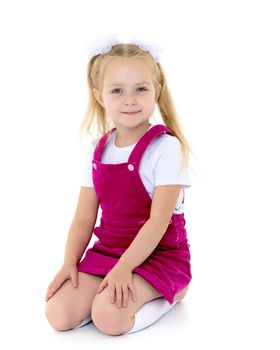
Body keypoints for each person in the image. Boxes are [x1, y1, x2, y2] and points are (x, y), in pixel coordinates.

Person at [45, 37, 193, 336]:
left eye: (141, 89)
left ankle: (173, 293)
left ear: (157, 92)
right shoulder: (97, 149)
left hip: (158, 256)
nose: (130, 99)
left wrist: (125, 269)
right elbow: (84, 217)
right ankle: (100, 299)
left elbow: (158, 221)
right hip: (110, 252)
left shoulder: (166, 148)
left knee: (109, 318)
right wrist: (69, 262)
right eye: (117, 90)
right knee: (58, 314)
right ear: (100, 96)